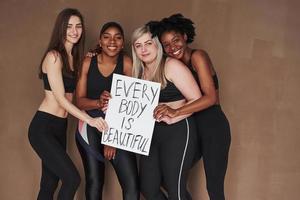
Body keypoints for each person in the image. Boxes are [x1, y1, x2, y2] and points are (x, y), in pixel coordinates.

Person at [28, 8, 108, 200]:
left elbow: (76, 92)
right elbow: (62, 99)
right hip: (43, 127)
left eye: (78, 26)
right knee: (72, 179)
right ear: (61, 29)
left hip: (60, 127)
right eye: (69, 26)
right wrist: (90, 120)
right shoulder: (53, 57)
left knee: (49, 182)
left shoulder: (75, 58)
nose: (74, 31)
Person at [152, 14, 231, 200]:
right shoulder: (171, 64)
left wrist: (176, 111)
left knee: (214, 187)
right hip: (191, 127)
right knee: (169, 178)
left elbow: (211, 98)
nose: (172, 47)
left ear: (185, 36)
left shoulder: (198, 56)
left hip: (213, 126)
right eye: (166, 44)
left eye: (176, 40)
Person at [131, 24, 201, 200]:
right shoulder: (138, 72)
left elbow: (197, 99)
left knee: (175, 189)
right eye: (138, 45)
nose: (144, 49)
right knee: (148, 188)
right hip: (151, 134)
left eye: (148, 43)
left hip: (177, 131)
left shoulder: (171, 66)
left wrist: (175, 113)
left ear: (157, 44)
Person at [75, 22, 139, 200]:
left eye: (117, 37)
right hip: (90, 124)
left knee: (132, 186)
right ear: (100, 41)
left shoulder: (127, 63)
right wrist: (97, 102)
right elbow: (79, 102)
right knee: (95, 182)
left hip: (118, 127)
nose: (112, 41)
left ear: (123, 42)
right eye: (107, 37)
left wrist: (113, 138)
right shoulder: (88, 62)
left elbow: (131, 104)